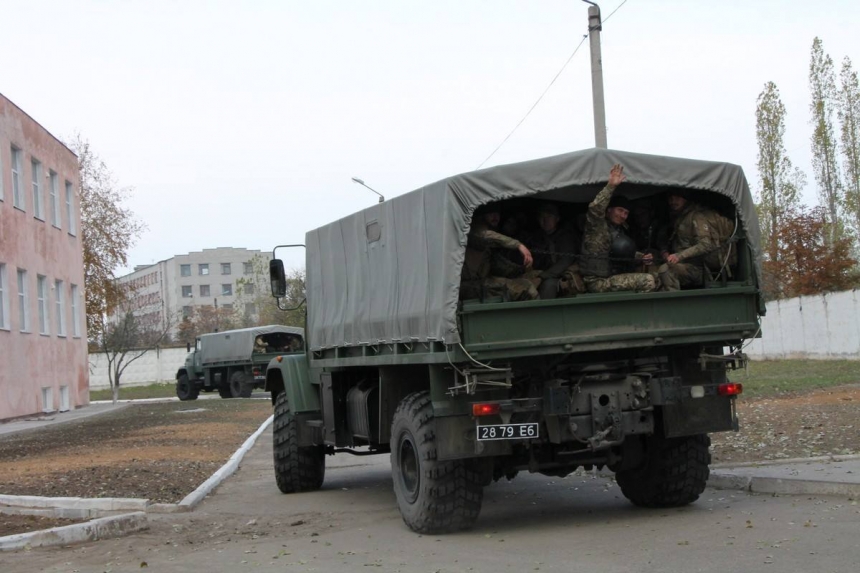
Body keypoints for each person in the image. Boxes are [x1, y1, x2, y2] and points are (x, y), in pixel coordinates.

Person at [579, 164, 658, 293]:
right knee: (647, 280)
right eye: (620, 210)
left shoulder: (619, 230)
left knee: (657, 276)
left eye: (626, 213)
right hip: (597, 282)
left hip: (611, 277)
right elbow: (595, 207)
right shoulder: (596, 225)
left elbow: (621, 252)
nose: (623, 215)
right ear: (609, 210)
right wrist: (611, 186)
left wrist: (642, 257)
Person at [460, 204, 539, 301]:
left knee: (526, 284)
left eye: (497, 213)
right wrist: (518, 245)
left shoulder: (489, 239)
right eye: (491, 213)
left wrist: (522, 271)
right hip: (466, 285)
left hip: (480, 282)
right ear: (482, 216)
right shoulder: (474, 228)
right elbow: (485, 235)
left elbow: (497, 265)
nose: (495, 217)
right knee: (526, 290)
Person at [658, 191, 721, 291]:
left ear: (685, 199)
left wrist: (679, 256)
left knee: (666, 270)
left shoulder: (696, 216)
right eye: (671, 199)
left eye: (677, 198)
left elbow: (705, 245)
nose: (673, 202)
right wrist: (665, 253)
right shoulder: (677, 217)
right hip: (682, 266)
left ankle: (673, 304)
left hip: (697, 269)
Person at [524, 202, 584, 298]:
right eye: (542, 217)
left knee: (549, 285)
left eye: (549, 217)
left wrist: (542, 277)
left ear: (557, 219)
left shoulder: (565, 237)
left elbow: (565, 261)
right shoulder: (536, 237)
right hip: (541, 273)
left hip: (561, 275)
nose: (545, 220)